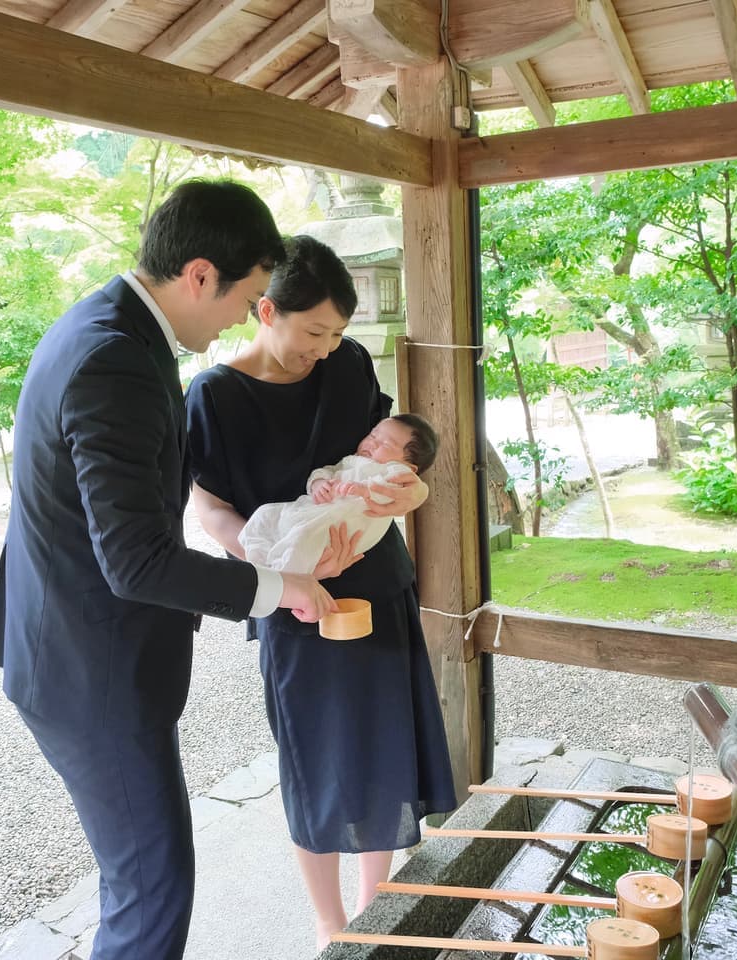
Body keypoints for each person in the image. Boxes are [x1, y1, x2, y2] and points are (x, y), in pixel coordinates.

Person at [0, 181, 344, 960]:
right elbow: (137, 560)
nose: (245, 317)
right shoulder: (116, 361)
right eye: (245, 298)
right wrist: (280, 590)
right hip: (90, 669)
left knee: (140, 881)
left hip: (69, 651)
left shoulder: (102, 326)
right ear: (201, 274)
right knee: (152, 889)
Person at [185, 235, 457, 951]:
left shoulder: (349, 365)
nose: (328, 347)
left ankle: (379, 907)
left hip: (378, 586)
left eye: (338, 332)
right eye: (314, 331)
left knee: (386, 749)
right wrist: (280, 575)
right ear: (265, 310)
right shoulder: (215, 396)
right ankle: (331, 923)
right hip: (291, 600)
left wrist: (415, 491)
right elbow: (210, 510)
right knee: (315, 763)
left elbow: (395, 459)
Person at [240, 414, 439, 574]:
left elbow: (392, 490)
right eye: (373, 435)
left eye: (386, 445)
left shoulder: (394, 471)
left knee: (303, 539)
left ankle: (282, 577)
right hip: (316, 511)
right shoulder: (352, 460)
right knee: (266, 514)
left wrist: (364, 490)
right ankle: (258, 560)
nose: (372, 444)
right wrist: (319, 484)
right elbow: (327, 471)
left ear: (409, 466)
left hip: (340, 527)